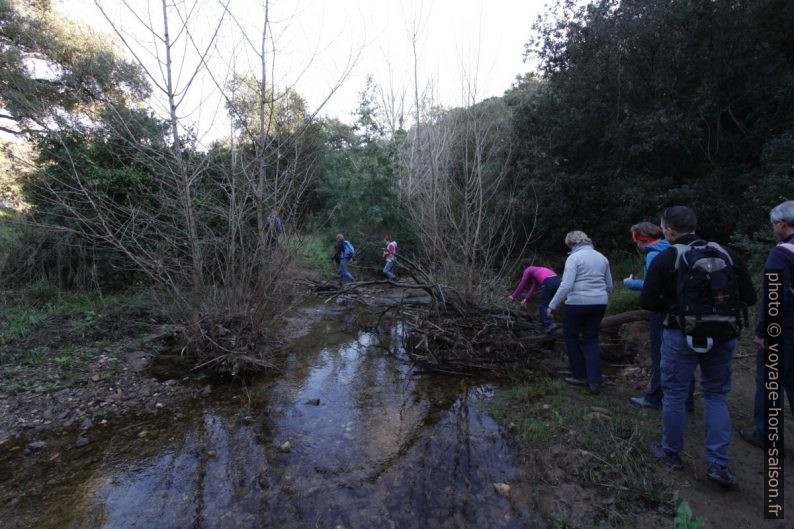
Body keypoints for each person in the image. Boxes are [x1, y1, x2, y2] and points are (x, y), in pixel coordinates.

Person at [640, 206, 756, 488]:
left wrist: (674, 306)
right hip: (724, 334)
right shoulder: (727, 253)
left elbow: (648, 303)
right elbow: (750, 297)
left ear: (668, 229)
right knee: (716, 395)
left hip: (681, 335)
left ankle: (671, 453)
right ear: (694, 226)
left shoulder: (668, 256)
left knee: (675, 395)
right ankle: (718, 462)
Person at [740, 200, 794, 448]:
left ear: (782, 224)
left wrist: (763, 332)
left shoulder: (782, 253)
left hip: (784, 330)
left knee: (770, 380)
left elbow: (775, 295)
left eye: (774, 224)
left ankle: (767, 435)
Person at [624, 222, 694, 411]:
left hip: (662, 310)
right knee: (683, 355)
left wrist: (631, 283)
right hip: (683, 309)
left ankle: (655, 397)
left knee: (660, 354)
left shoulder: (654, 254)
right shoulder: (674, 249)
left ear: (640, 239)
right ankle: (687, 400)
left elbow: (650, 285)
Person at [547, 231, 613, 393]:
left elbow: (566, 285)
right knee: (591, 339)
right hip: (599, 303)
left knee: (571, 336)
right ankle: (595, 380)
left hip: (577, 303)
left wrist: (552, 305)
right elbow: (609, 285)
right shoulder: (602, 257)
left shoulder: (574, 258)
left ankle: (580, 375)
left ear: (571, 244)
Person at [508, 260, 561, 332]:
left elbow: (522, 284)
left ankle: (550, 324)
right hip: (558, 281)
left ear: (524, 267)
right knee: (550, 304)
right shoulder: (537, 270)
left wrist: (513, 296)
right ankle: (551, 322)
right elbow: (534, 288)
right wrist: (526, 299)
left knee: (543, 304)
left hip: (549, 281)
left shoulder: (528, 269)